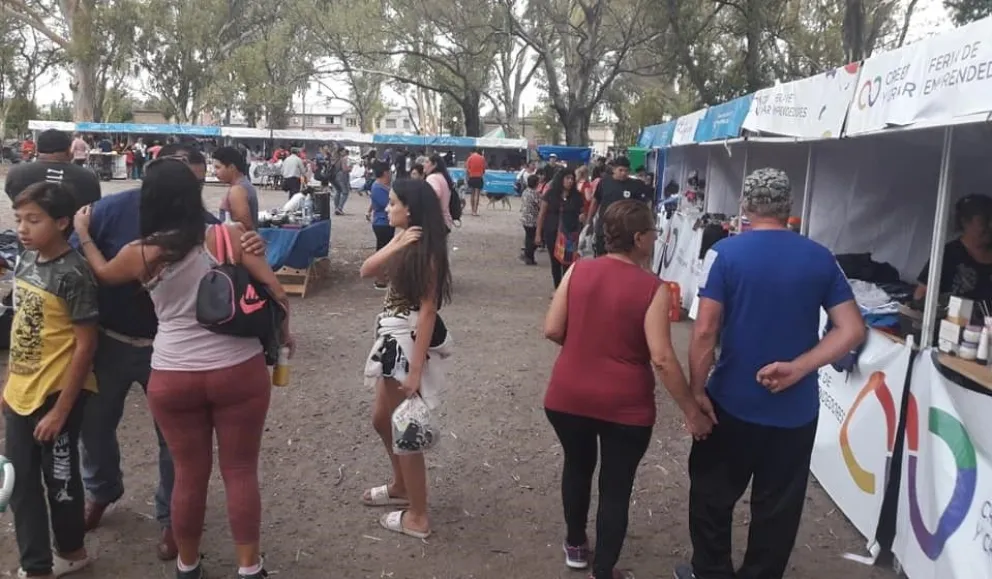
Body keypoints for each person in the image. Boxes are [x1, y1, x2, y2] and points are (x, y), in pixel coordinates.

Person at [73, 157, 293, 579]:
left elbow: (101, 272)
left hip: (172, 373)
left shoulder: (141, 253)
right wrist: (284, 332)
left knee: (189, 473)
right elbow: (277, 293)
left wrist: (84, 233)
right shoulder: (226, 236)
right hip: (237, 369)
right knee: (241, 470)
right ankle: (250, 567)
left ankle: (187, 565)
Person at [675, 168, 865, 579]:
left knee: (712, 496)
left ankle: (711, 572)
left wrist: (696, 391)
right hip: (795, 409)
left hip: (732, 401)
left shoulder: (726, 254)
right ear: (788, 208)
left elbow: (706, 330)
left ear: (745, 206)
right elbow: (852, 329)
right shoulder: (819, 256)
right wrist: (800, 367)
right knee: (777, 508)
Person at [543, 200, 712, 579]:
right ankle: (604, 570)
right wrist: (691, 410)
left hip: (568, 393)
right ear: (639, 239)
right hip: (625, 403)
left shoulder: (578, 271)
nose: (656, 236)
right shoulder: (652, 288)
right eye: (653, 231)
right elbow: (663, 359)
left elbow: (553, 329)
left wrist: (588, 344)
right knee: (616, 487)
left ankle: (574, 544)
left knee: (577, 466)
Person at [5, 181, 99, 578]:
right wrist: (9, 383)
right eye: (19, 220)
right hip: (20, 393)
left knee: (60, 480)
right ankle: (36, 566)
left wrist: (62, 410)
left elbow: (85, 345)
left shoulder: (74, 275)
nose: (23, 229)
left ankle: (72, 551)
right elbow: (21, 329)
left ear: (62, 223)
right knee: (19, 483)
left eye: (33, 220)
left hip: (57, 395)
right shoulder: (25, 261)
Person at [358, 178, 453, 541]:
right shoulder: (407, 242)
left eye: (393, 203)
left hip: (403, 344)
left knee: (404, 429)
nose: (387, 207)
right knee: (382, 419)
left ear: (410, 208)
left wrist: (414, 372)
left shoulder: (426, 251)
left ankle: (418, 514)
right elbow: (369, 269)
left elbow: (428, 311)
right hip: (391, 338)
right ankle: (401, 486)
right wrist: (396, 242)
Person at [914, 194, 992, 303]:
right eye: (984, 221)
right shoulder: (949, 254)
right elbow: (921, 294)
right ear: (965, 222)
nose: (990, 226)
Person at [5, 129, 102, 211]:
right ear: (69, 151)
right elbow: (92, 206)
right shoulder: (87, 177)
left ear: (37, 150)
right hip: (72, 232)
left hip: (30, 231)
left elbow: (15, 199)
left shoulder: (16, 173)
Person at [587, 157, 651, 257]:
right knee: (602, 257)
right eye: (620, 170)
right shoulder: (604, 182)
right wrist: (589, 220)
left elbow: (643, 206)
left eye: (626, 170)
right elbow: (595, 201)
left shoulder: (636, 185)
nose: (623, 173)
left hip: (625, 230)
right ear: (614, 169)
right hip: (604, 228)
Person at [536, 168, 584, 289]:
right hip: (552, 232)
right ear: (561, 179)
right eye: (567, 178)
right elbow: (542, 214)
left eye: (572, 179)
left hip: (570, 234)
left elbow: (582, 212)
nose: (570, 181)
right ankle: (557, 288)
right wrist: (538, 234)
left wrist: (583, 217)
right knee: (555, 261)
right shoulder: (550, 194)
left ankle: (566, 288)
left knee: (568, 263)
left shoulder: (577, 196)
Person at [213, 146, 259, 230]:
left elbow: (244, 227)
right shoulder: (242, 185)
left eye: (218, 167)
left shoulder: (237, 190)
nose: (214, 172)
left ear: (231, 167)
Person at [366, 160, 394, 290]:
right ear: (385, 173)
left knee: (385, 250)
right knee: (382, 251)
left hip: (385, 222)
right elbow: (387, 204)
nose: (390, 174)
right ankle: (380, 279)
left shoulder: (383, 186)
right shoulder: (378, 187)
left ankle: (384, 275)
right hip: (381, 223)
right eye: (389, 172)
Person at [424, 154, 455, 232]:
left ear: (434, 164)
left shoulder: (432, 178)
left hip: (436, 222)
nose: (424, 164)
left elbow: (435, 195)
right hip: (445, 221)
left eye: (427, 162)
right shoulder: (442, 177)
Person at [520, 174, 541, 266]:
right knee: (535, 240)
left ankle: (530, 257)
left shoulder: (525, 191)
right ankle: (528, 255)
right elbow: (540, 205)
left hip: (525, 218)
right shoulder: (535, 194)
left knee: (529, 238)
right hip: (532, 220)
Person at [466, 148, 486, 217]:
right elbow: (484, 170)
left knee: (472, 194)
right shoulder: (482, 158)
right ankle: (475, 211)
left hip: (472, 177)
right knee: (477, 195)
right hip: (479, 177)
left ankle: (472, 211)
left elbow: (467, 169)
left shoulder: (469, 158)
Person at [333, 147, 352, 215]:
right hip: (342, 176)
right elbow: (344, 169)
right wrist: (350, 168)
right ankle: (339, 208)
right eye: (344, 151)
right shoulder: (343, 159)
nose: (345, 152)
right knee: (345, 192)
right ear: (340, 152)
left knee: (338, 191)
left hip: (335, 176)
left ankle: (336, 207)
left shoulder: (335, 158)